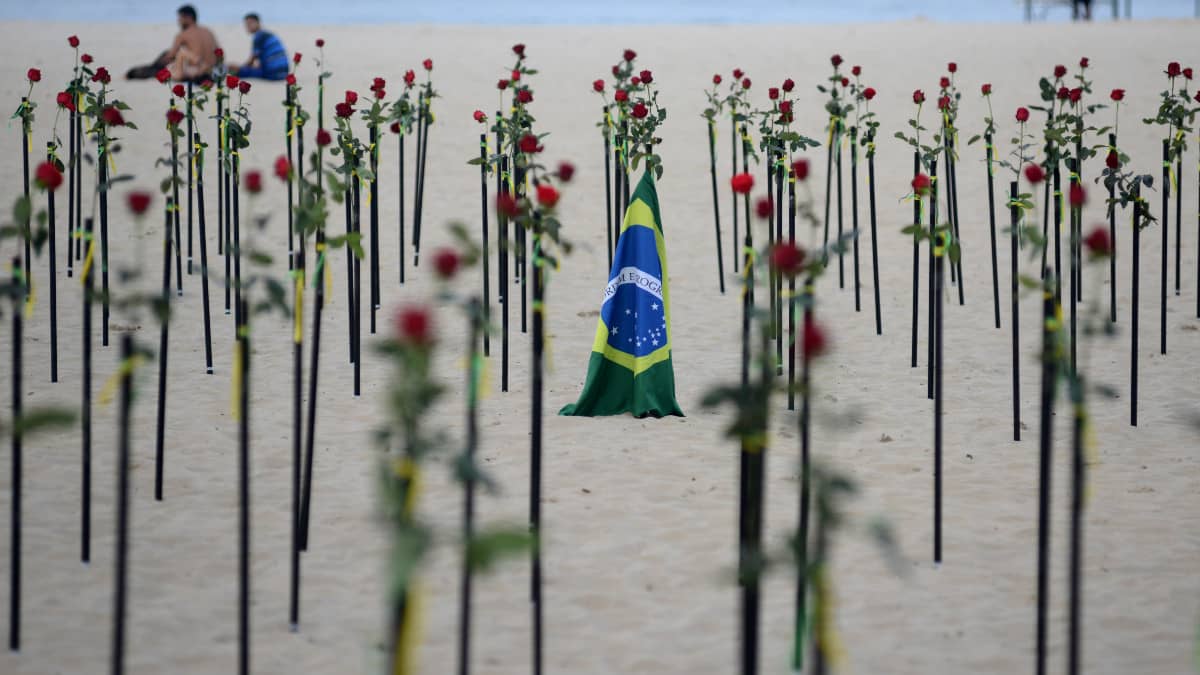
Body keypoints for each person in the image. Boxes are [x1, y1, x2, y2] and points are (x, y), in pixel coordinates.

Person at [125, 5, 220, 81]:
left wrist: (155, 65)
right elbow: (218, 54)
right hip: (212, 70)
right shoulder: (208, 31)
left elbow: (170, 56)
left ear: (188, 18)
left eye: (180, 18)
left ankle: (132, 74)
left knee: (162, 63)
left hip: (195, 70)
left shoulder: (183, 34)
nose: (178, 21)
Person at [229, 13, 289, 81]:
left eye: (250, 23)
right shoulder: (267, 34)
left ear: (258, 23)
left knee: (232, 68)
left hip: (272, 74)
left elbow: (251, 61)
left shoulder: (259, 37)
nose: (248, 26)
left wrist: (241, 69)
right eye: (246, 24)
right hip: (284, 73)